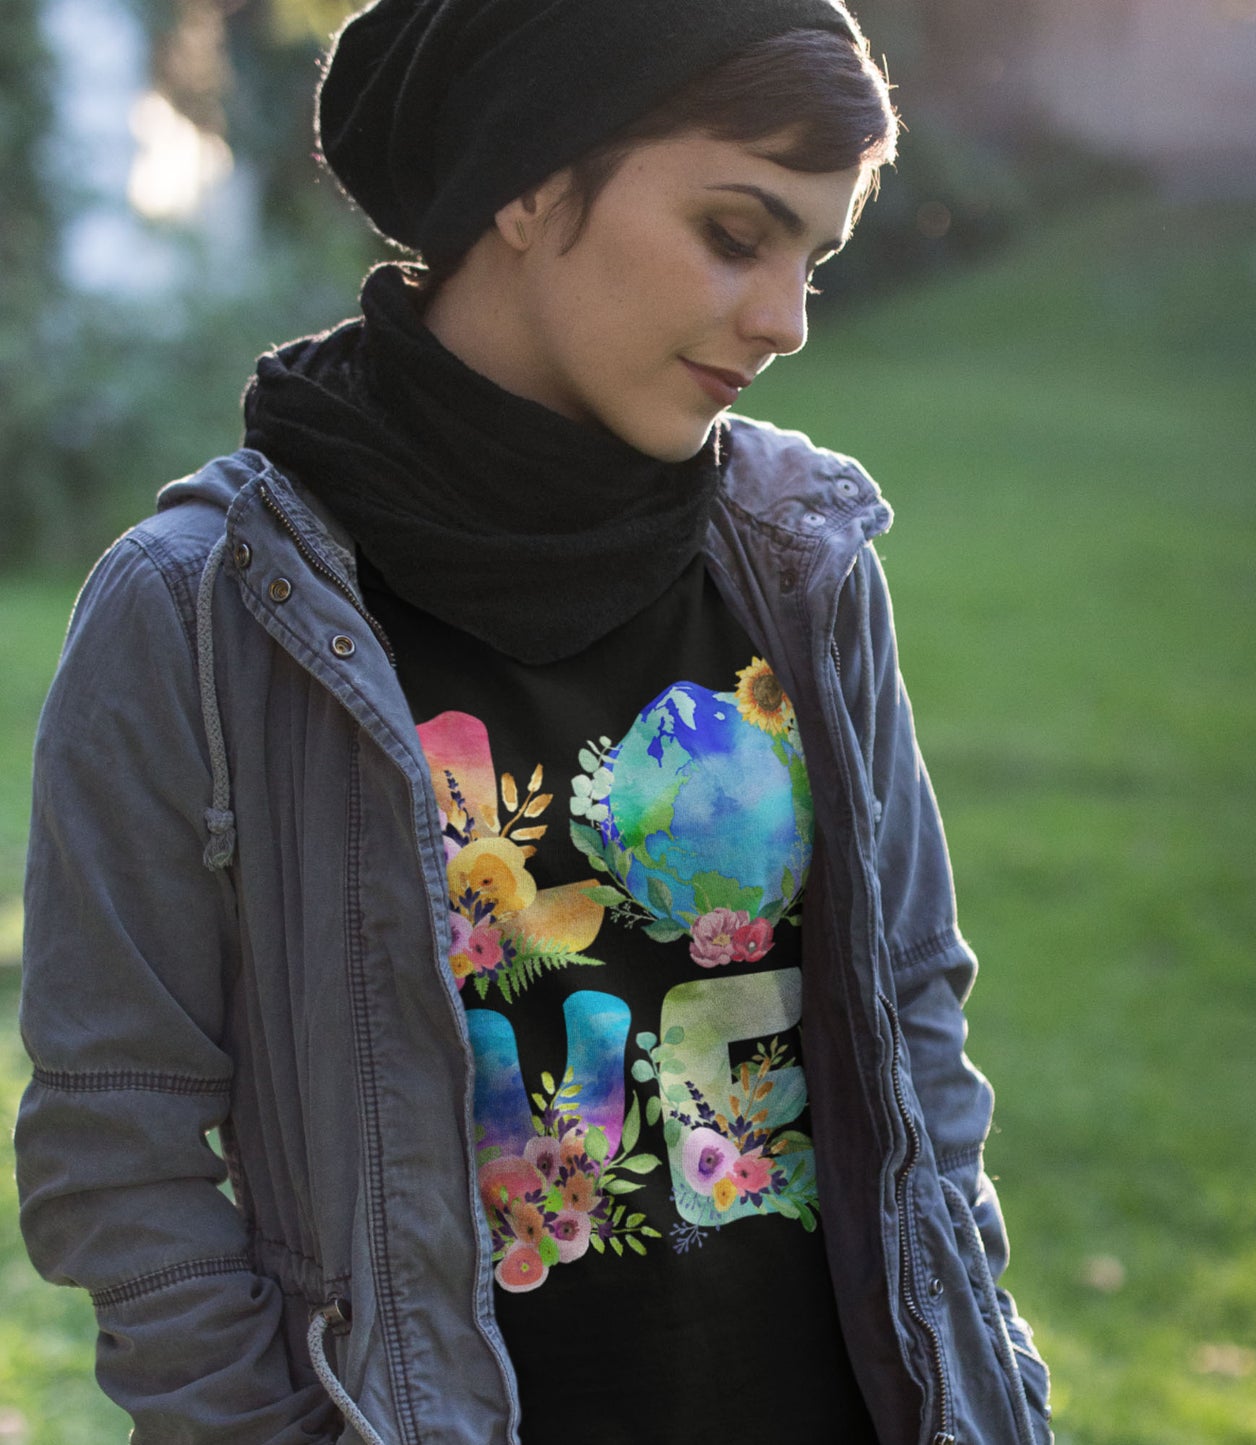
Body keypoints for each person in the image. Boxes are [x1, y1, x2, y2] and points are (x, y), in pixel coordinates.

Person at [15, 1, 1053, 1441]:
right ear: (525, 177)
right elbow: (117, 1134)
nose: (785, 321)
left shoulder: (803, 564)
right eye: (735, 234)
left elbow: (913, 1018)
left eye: (812, 261)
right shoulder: (198, 613)